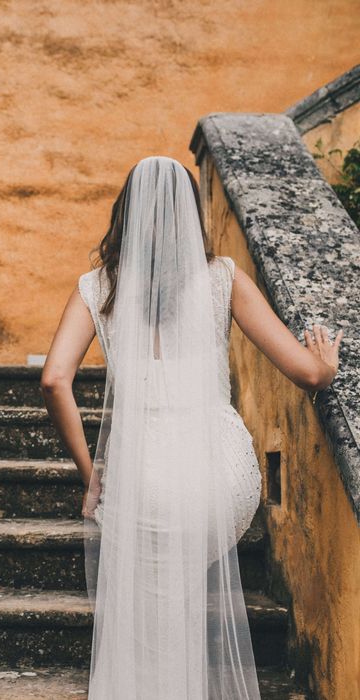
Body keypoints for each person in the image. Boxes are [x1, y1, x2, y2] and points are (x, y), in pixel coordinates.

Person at [40, 155, 343, 699]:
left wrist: (91, 475)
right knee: (177, 596)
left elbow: (54, 380)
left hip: (142, 477)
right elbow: (304, 372)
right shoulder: (223, 278)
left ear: (125, 211)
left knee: (150, 613)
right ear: (190, 212)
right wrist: (324, 367)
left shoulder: (96, 287)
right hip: (218, 475)